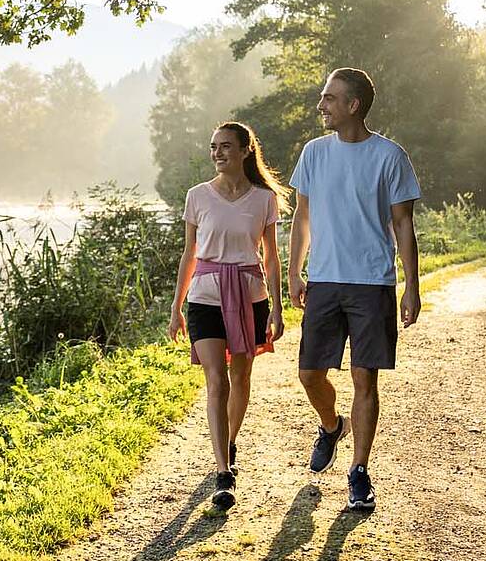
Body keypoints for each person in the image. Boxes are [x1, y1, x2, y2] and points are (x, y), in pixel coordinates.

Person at [288, 68, 421, 511]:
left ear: (353, 105)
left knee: (365, 378)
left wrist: (411, 286)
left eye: (329, 98)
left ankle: (359, 471)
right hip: (324, 280)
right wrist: (294, 271)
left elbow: (403, 224)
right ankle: (331, 426)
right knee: (309, 374)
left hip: (372, 282)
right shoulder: (314, 153)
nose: (321, 105)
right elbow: (302, 217)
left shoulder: (390, 156)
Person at [169, 122, 288, 510]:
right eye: (213, 147)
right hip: (205, 298)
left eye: (224, 146)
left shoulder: (264, 199)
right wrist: (176, 307)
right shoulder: (197, 196)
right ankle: (223, 472)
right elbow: (189, 254)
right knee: (216, 381)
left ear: (245, 150)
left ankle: (230, 441)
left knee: (240, 376)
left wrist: (277, 307)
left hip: (250, 297)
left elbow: (271, 258)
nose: (217, 153)